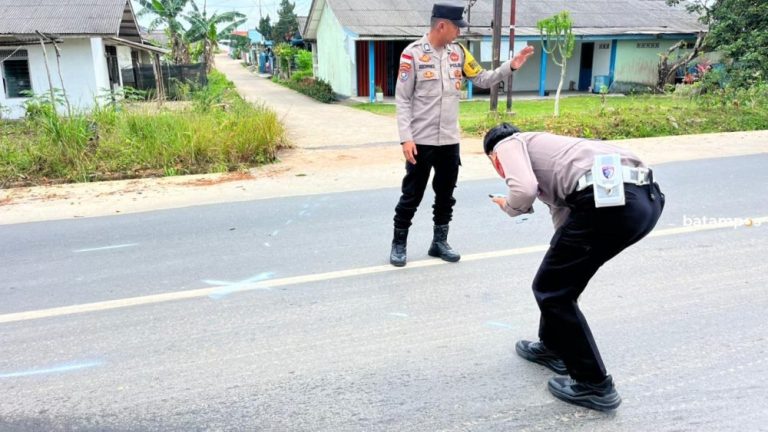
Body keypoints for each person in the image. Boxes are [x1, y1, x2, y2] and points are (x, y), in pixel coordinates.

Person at [483, 123, 665, 411]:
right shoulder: (556, 150)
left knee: (551, 290)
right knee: (560, 282)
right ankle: (553, 347)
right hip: (645, 202)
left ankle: (594, 385)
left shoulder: (507, 143)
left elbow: (524, 189)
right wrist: (558, 255)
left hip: (610, 204)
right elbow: (564, 219)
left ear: (494, 157)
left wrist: (510, 206)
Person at [389, 1, 535, 267]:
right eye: (457, 27)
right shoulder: (411, 55)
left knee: (446, 194)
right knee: (412, 194)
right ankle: (399, 243)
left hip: (449, 141)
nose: (460, 32)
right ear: (442, 25)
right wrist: (405, 138)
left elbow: (483, 79)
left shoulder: (459, 53)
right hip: (420, 141)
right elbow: (402, 99)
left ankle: (439, 242)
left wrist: (510, 66)